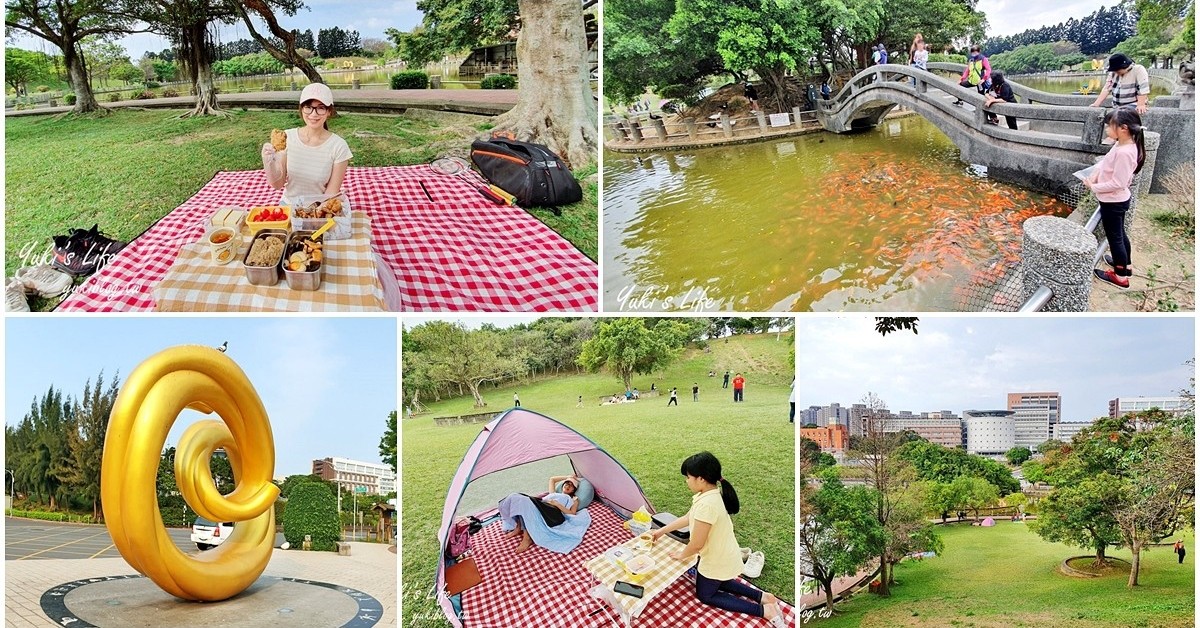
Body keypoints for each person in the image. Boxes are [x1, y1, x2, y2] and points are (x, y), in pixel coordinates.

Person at [652, 453, 787, 628]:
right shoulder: (710, 495)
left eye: (688, 477)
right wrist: (661, 531)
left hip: (716, 558)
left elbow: (697, 544)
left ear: (700, 479)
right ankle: (764, 597)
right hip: (724, 553)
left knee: (706, 594)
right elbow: (688, 517)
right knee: (719, 581)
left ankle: (764, 611)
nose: (686, 481)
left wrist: (682, 555)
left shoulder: (707, 504)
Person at [261, 83, 352, 205]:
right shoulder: (287, 138)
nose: (313, 114)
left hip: (320, 208)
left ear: (329, 111)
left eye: (320, 108)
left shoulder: (339, 146)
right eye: (308, 107)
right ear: (301, 109)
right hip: (289, 206)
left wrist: (313, 217)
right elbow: (277, 185)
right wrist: (269, 163)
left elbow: (331, 192)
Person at [1084, 108, 1145, 289]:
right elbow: (1106, 161)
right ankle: (1126, 266)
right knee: (1120, 234)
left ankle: (1120, 277)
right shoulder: (1123, 144)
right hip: (1117, 200)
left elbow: (1118, 183)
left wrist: (1093, 187)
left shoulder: (1125, 152)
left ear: (1123, 128)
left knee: (1115, 238)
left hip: (1113, 201)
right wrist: (1095, 173)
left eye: (1110, 127)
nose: (1107, 130)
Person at [499, 475, 591, 554]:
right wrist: (569, 477)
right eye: (567, 483)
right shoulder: (553, 493)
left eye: (571, 486)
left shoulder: (573, 499)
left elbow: (572, 513)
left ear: (573, 490)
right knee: (516, 497)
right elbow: (552, 479)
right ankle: (519, 527)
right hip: (543, 506)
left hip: (553, 513)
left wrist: (557, 504)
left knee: (524, 500)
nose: (568, 485)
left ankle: (527, 537)